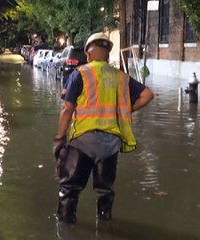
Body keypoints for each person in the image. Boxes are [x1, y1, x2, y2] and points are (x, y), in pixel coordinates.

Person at [53, 32, 154, 224]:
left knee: (69, 189)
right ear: (107, 56)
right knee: (105, 190)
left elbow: (67, 109)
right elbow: (148, 95)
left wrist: (59, 138)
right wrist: (126, 109)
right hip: (110, 144)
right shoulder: (121, 77)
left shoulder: (80, 73)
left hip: (83, 141)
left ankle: (65, 228)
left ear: (88, 55)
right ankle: (105, 224)